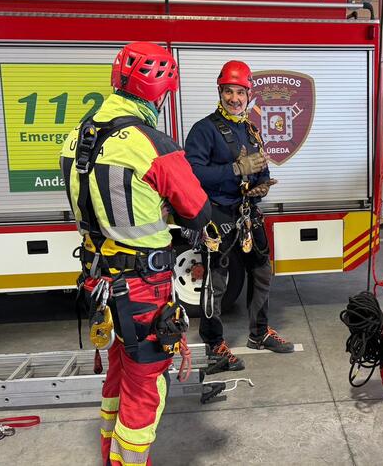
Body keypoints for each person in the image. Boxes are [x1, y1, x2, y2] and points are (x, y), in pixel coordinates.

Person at [60, 41, 211, 465]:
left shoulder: (78, 136)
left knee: (118, 370)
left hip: (98, 281)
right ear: (160, 94)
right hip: (142, 287)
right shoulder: (151, 142)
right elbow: (198, 210)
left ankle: (110, 452)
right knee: (147, 384)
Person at [185, 60, 293, 374]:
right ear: (220, 92)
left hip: (247, 214)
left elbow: (261, 169)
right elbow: (192, 173)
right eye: (229, 91)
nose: (235, 98)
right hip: (218, 216)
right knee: (215, 283)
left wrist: (261, 186)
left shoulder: (249, 129)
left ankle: (259, 333)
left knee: (262, 273)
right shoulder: (205, 130)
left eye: (240, 92)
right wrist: (234, 169)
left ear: (249, 94)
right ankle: (214, 345)